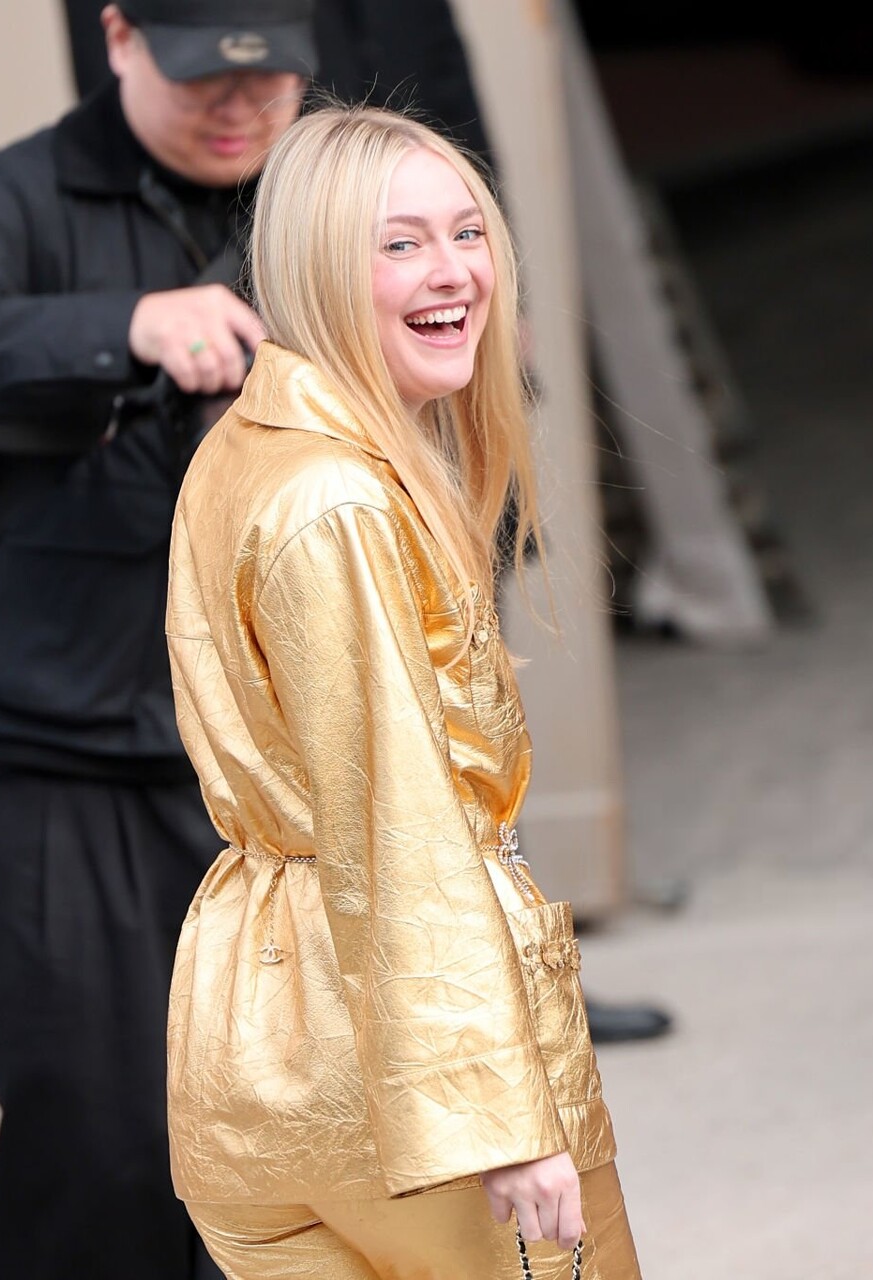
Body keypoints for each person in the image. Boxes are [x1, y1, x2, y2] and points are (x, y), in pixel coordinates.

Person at [0, 2, 312, 1274]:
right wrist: (126, 327)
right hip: (51, 742)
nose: (241, 107)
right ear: (118, 39)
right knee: (99, 1139)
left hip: (270, 748)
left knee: (283, 1153)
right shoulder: (20, 195)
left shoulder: (324, 195)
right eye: (205, 79)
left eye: (270, 78)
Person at [165, 105, 642, 1277]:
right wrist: (495, 1110)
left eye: (469, 232)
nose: (455, 271)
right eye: (400, 243)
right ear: (317, 268)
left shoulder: (251, 446)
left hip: (261, 1037)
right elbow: (399, 822)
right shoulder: (337, 498)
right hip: (397, 1067)